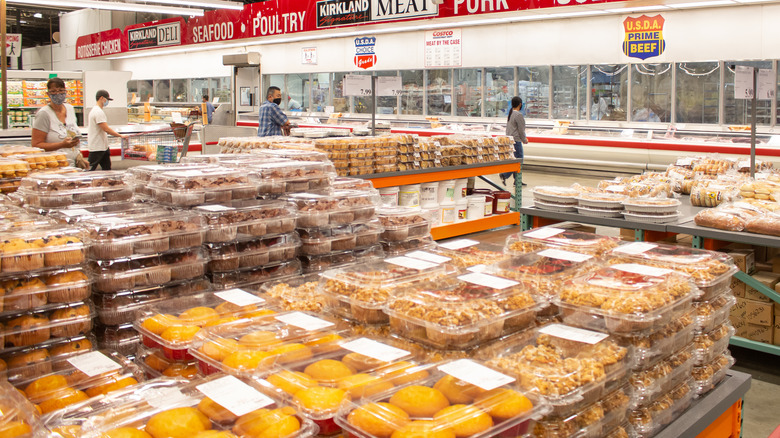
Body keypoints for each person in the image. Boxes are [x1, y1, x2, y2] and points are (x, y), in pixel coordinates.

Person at [31, 78, 86, 168]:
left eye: (61, 90)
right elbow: (36, 145)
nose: (57, 94)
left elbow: (72, 134)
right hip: (55, 165)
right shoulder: (44, 114)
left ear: (66, 92)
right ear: (48, 94)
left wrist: (78, 155)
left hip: (73, 166)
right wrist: (61, 145)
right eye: (53, 91)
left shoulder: (70, 109)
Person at [87, 90, 126, 171]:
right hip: (97, 147)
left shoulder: (97, 111)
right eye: (107, 99)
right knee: (89, 170)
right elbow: (106, 129)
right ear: (101, 98)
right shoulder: (97, 112)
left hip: (103, 147)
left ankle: (107, 182)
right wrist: (120, 135)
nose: (107, 102)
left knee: (107, 169)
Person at [500, 96, 528, 187]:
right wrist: (524, 139)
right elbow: (521, 130)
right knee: (519, 160)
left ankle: (517, 180)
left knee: (515, 159)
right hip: (516, 140)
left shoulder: (511, 113)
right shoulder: (518, 115)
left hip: (510, 140)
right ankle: (505, 174)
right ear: (520, 104)